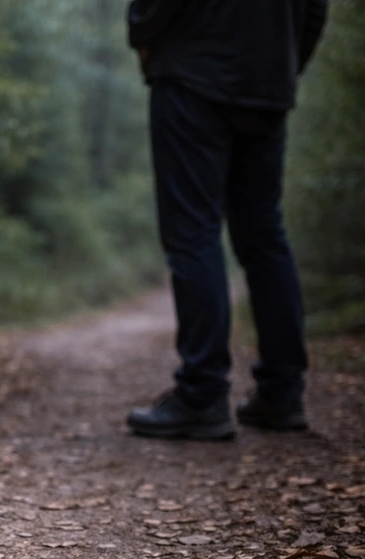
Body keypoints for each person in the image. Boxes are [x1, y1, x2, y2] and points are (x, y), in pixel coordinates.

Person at [125, 0, 328, 440]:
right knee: (264, 236)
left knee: (193, 232)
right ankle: (282, 392)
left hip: (194, 76)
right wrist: (283, 63)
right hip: (268, 84)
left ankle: (202, 397)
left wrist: (141, 32)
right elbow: (314, 10)